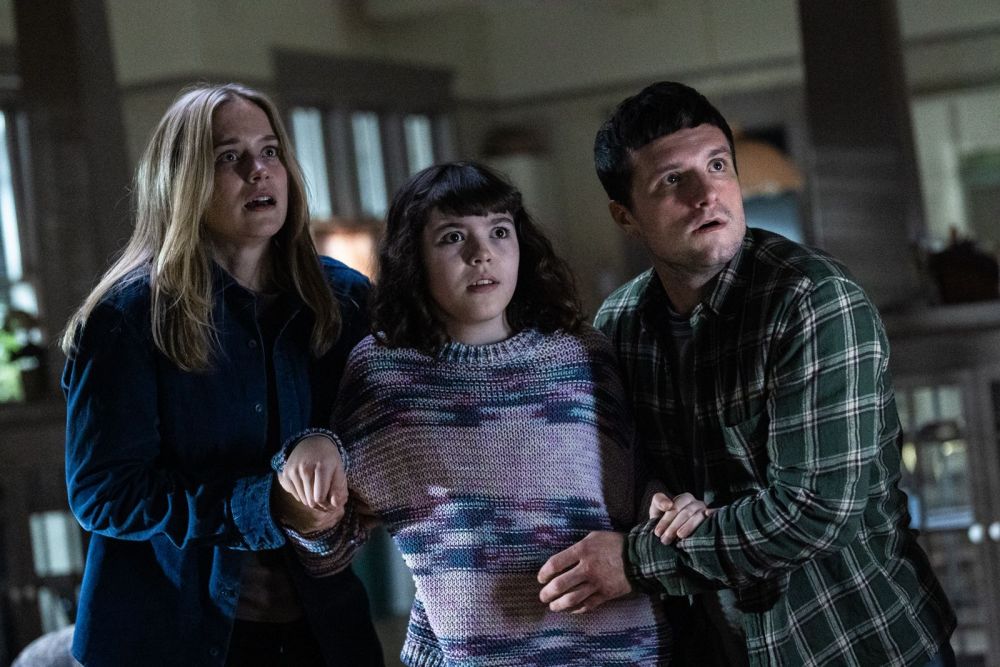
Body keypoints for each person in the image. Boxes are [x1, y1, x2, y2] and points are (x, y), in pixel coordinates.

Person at [536, 81, 958, 666]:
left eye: (718, 166)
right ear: (625, 216)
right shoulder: (620, 323)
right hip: (715, 646)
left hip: (854, 641)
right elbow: (624, 468)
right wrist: (657, 499)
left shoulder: (811, 299)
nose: (707, 194)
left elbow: (813, 512)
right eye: (673, 180)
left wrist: (634, 561)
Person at [275, 162, 710, 666]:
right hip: (469, 651)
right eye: (452, 237)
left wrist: (672, 508)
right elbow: (327, 547)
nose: (481, 253)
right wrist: (306, 454)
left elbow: (632, 491)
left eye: (499, 231)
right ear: (413, 257)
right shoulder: (382, 373)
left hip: (617, 647)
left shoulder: (580, 353)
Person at [61, 83, 383, 666]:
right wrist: (264, 506)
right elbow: (103, 494)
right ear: (181, 182)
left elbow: (387, 436)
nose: (258, 171)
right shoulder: (127, 318)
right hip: (170, 638)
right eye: (229, 157)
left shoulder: (345, 299)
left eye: (270, 152)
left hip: (323, 631)